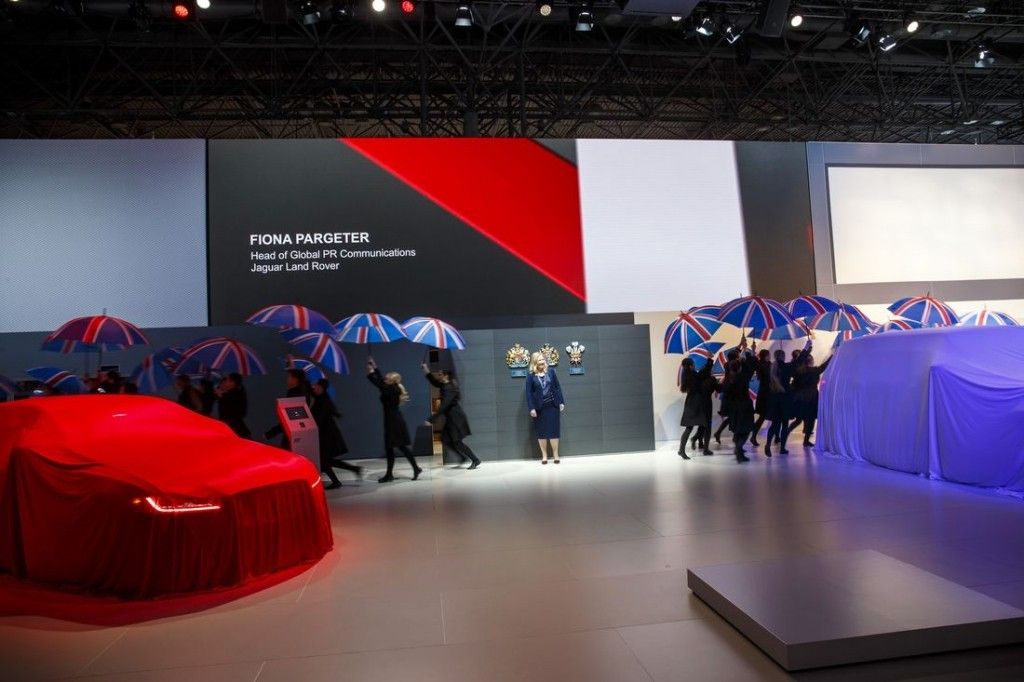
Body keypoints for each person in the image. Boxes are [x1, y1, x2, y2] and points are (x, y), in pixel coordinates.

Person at [367, 357, 422, 482]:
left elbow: (378, 383)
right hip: (393, 420)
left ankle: (392, 474)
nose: (384, 379)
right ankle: (411, 469)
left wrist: (371, 371)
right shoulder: (392, 387)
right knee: (394, 447)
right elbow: (381, 381)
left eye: (387, 378)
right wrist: (375, 367)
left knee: (395, 447)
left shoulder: (391, 390)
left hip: (394, 422)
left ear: (391, 381)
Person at [423, 363, 481, 470]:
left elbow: (444, 405)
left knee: (457, 442)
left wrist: (431, 419)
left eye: (440, 374)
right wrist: (426, 369)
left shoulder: (450, 388)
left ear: (446, 376)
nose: (438, 376)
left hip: (456, 418)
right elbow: (434, 382)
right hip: (451, 418)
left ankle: (475, 460)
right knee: (445, 439)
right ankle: (462, 458)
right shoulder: (444, 385)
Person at [310, 378, 363, 488]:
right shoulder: (321, 397)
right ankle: (354, 469)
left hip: (327, 435)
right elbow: (311, 391)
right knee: (327, 460)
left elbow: (319, 420)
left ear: (321, 388)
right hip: (327, 434)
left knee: (324, 460)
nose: (314, 388)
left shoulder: (323, 401)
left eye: (317, 386)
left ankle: (337, 481)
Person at [784, 348, 832, 447]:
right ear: (811, 361)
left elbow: (794, 384)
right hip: (811, 397)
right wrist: (832, 357)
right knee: (811, 419)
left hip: (800, 397)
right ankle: (806, 441)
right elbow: (824, 366)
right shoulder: (814, 371)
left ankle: (786, 433)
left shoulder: (799, 371)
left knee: (798, 419)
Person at [525, 351, 565, 464]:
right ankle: (544, 456)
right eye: (540, 360)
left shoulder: (551, 372)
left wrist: (561, 401)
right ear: (535, 362)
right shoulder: (530, 376)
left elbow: (557, 387)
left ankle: (556, 455)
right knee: (541, 432)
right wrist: (531, 408)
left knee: (554, 431)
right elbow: (528, 393)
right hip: (539, 408)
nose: (542, 361)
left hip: (553, 406)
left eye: (543, 359)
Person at [720, 340, 757, 462]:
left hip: (733, 407)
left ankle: (739, 451)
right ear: (740, 367)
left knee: (737, 429)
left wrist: (742, 347)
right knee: (747, 429)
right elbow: (752, 364)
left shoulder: (728, 379)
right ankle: (738, 448)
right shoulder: (744, 377)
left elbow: (742, 363)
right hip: (744, 407)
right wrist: (751, 350)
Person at [678, 358, 713, 459]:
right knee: (691, 427)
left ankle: (683, 449)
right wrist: (709, 362)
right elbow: (702, 374)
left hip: (692, 403)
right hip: (694, 404)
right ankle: (682, 450)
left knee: (695, 426)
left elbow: (701, 374)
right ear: (690, 366)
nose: (694, 365)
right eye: (693, 364)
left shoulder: (687, 375)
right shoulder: (692, 375)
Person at [264, 369, 309, 445]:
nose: (287, 379)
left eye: (289, 377)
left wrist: (270, 434)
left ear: (295, 379)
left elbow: (288, 419)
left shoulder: (294, 395)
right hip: (300, 433)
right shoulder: (303, 392)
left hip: (291, 434)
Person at [215, 372, 251, 438]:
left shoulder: (236, 394)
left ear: (233, 383)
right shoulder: (234, 392)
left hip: (234, 430)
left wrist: (221, 396)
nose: (225, 382)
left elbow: (230, 407)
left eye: (228, 380)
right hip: (231, 428)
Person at [750, 349, 772, 446]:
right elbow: (768, 377)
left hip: (765, 392)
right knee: (763, 416)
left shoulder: (765, 364)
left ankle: (753, 435)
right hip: (766, 394)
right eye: (769, 355)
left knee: (764, 416)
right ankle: (753, 435)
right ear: (766, 356)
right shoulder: (763, 365)